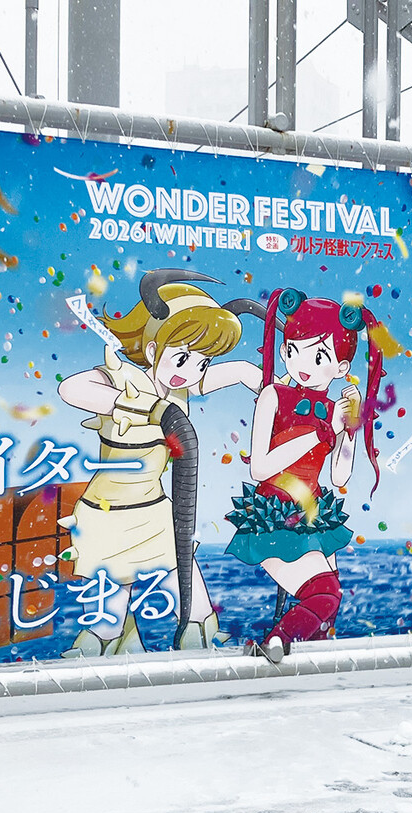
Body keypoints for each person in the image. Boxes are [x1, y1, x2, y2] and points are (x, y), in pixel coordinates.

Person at [57, 269, 261, 656]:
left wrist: (282, 392)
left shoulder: (179, 387)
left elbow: (239, 371)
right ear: (152, 351)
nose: (191, 371)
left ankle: (203, 660)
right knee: (107, 622)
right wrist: (137, 406)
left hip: (158, 514)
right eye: (182, 357)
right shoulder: (126, 379)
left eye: (201, 362)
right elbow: (72, 388)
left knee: (195, 606)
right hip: (109, 514)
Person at [225, 287, 387, 661]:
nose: (302, 364)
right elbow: (260, 467)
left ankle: (298, 670)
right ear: (284, 350)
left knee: (326, 617)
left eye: (318, 356)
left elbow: (339, 476)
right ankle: (275, 643)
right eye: (293, 350)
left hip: (313, 516)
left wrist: (348, 430)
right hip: (273, 514)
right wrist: (322, 431)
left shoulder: (332, 408)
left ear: (341, 368)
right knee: (325, 594)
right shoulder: (273, 396)